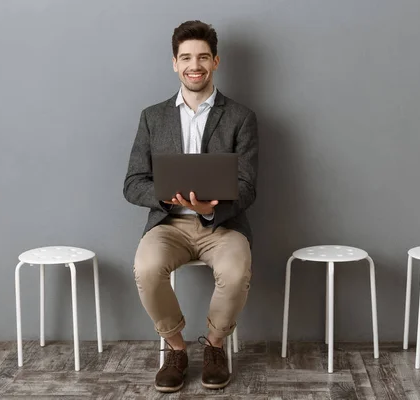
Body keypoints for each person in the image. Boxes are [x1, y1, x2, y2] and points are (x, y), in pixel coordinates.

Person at [123, 20, 258, 392]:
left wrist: (211, 208)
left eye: (202, 57)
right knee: (146, 267)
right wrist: (164, 196)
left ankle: (214, 346)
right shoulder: (152, 117)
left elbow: (248, 188)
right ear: (174, 63)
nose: (193, 65)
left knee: (236, 271)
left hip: (222, 226)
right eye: (186, 58)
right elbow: (132, 183)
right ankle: (177, 348)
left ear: (216, 61)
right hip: (169, 225)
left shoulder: (241, 118)